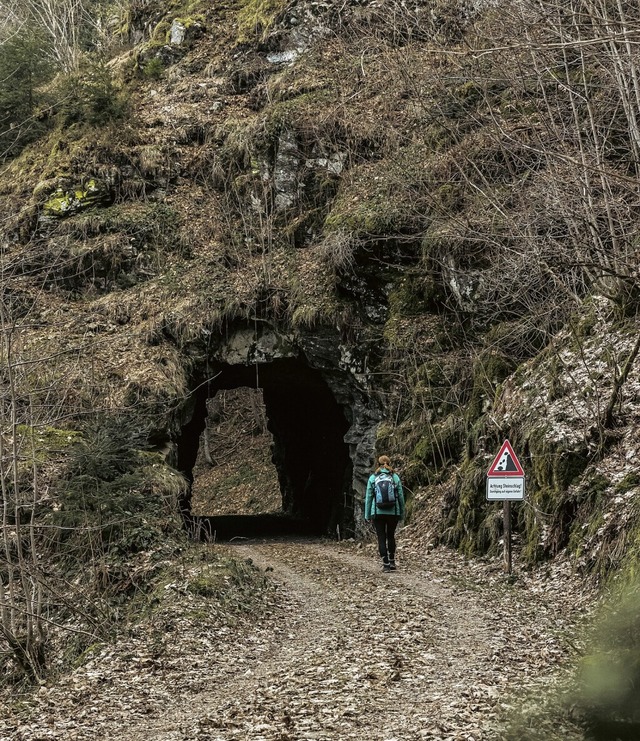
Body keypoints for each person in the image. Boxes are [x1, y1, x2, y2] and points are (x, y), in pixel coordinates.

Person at [364, 455, 405, 572]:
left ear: (378, 464)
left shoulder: (373, 478)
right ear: (389, 463)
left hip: (378, 512)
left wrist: (367, 515)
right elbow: (401, 496)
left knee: (381, 537)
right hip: (393, 512)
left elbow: (369, 497)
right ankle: (392, 561)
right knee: (391, 535)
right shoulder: (395, 477)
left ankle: (385, 564)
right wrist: (401, 512)